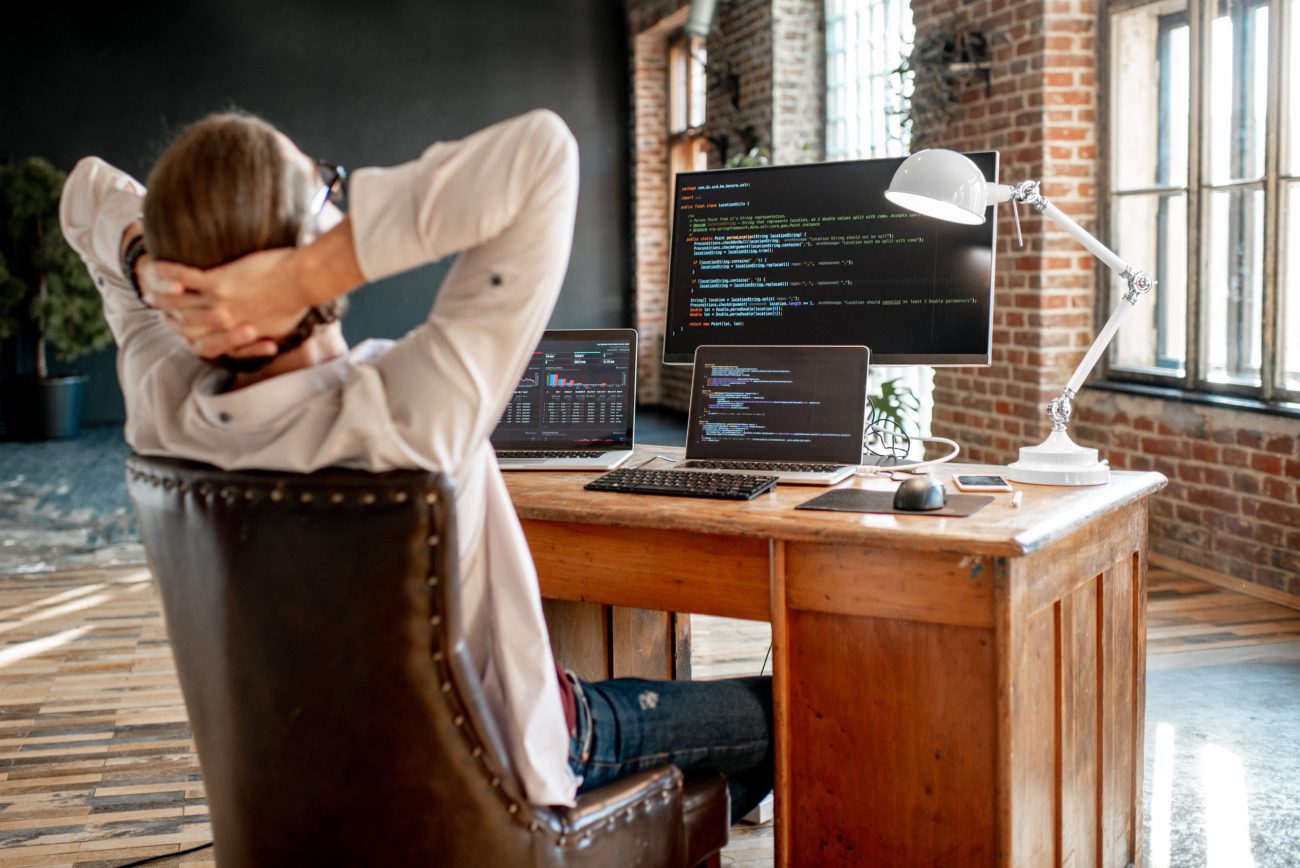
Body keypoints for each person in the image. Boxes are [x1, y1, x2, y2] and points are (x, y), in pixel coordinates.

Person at [60, 108, 772, 821]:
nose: (339, 209)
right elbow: (542, 152)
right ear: (305, 242)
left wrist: (145, 268)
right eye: (327, 193)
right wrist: (306, 274)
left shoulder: (162, 402)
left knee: (693, 786)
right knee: (786, 713)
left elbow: (87, 191)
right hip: (506, 781)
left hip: (309, 802)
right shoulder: (412, 411)